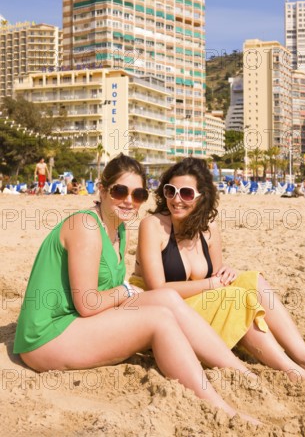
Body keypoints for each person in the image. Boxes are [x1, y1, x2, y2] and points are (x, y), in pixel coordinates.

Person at [13, 153, 260, 424]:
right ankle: (218, 407)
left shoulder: (118, 229)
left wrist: (130, 293)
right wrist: (127, 291)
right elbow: (87, 304)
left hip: (78, 322)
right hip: (47, 336)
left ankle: (241, 373)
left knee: (166, 297)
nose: (129, 201)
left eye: (138, 194)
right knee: (158, 320)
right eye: (120, 191)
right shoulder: (86, 225)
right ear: (102, 190)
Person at [132, 157, 305, 385]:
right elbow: (157, 288)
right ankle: (289, 368)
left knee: (253, 282)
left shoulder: (209, 229)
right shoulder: (154, 226)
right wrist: (211, 284)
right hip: (163, 310)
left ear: (202, 197)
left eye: (186, 193)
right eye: (170, 191)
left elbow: (216, 275)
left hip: (198, 305)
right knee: (237, 299)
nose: (176, 199)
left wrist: (225, 273)